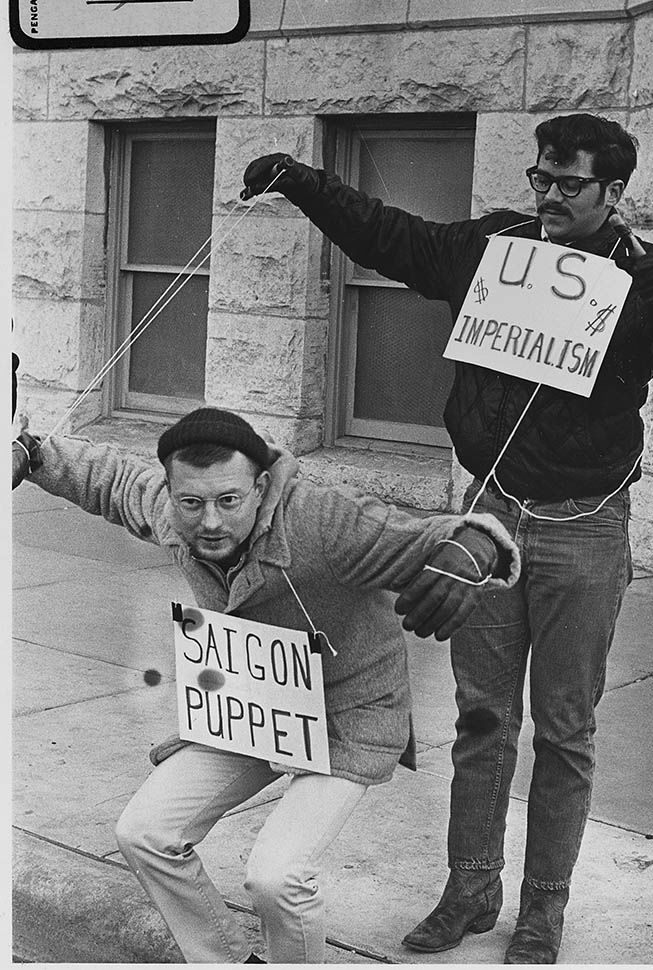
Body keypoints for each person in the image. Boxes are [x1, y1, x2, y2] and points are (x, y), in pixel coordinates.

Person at [241, 113, 653, 964]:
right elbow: (394, 239)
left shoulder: (640, 277)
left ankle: (545, 909)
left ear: (613, 192)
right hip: (489, 516)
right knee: (480, 716)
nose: (547, 196)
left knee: (565, 727)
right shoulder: (497, 248)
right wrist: (302, 180)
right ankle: (469, 891)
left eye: (568, 184)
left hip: (586, 528)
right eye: (540, 178)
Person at [12, 405, 520, 963]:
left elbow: (431, 536)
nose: (210, 521)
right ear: (172, 493)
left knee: (276, 877)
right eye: (193, 502)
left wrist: (472, 550)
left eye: (229, 501)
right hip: (248, 709)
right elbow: (109, 479)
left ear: (259, 488)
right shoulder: (169, 510)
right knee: (145, 832)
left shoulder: (323, 520)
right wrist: (33, 452)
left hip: (345, 716)